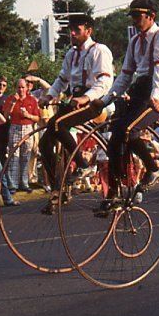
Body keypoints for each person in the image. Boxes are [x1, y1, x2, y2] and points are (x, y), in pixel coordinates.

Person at [101, 0, 159, 211]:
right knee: (115, 136)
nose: (134, 21)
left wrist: (156, 95)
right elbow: (125, 75)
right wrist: (106, 99)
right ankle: (115, 192)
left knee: (129, 130)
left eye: (137, 16)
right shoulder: (135, 41)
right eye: (133, 16)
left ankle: (153, 168)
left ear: (150, 16)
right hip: (139, 90)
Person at [37, 13, 113, 210]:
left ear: (88, 31)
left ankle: (82, 164)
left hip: (93, 102)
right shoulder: (71, 54)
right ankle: (58, 187)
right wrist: (49, 95)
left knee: (58, 124)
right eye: (70, 30)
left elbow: (105, 81)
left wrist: (86, 97)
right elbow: (62, 80)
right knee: (45, 143)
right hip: (74, 102)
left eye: (76, 30)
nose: (71, 33)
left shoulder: (99, 51)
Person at [4, 78, 40, 192]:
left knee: (26, 156)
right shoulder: (10, 99)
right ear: (16, 88)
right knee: (14, 156)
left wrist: (28, 115)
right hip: (15, 127)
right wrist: (13, 103)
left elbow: (37, 118)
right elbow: (5, 115)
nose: (21, 90)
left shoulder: (32, 100)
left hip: (28, 128)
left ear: (27, 88)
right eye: (19, 87)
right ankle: (13, 185)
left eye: (23, 87)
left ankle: (24, 183)